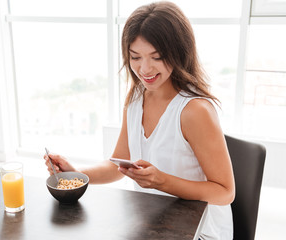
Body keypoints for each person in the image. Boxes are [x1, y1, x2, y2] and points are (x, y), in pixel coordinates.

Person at [44, 1, 235, 239]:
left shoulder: (194, 111)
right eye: (135, 57)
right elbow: (119, 165)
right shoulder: (135, 98)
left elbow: (225, 192)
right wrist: (77, 174)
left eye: (157, 57)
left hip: (200, 231)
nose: (145, 69)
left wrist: (162, 181)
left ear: (179, 53)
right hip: (156, 221)